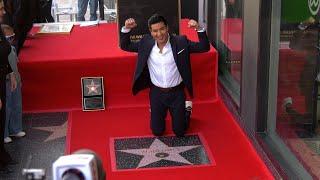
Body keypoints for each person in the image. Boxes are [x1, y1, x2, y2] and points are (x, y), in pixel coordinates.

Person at [120, 14, 210, 137]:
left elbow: (204, 47)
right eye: (155, 31)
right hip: (157, 93)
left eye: (162, 29)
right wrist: (126, 29)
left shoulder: (181, 42)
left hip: (177, 93)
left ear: (167, 28)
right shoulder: (146, 43)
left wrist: (199, 28)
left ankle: (187, 110)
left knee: (179, 131)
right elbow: (125, 46)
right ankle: (155, 111)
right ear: (151, 32)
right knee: (157, 131)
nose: (159, 34)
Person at [0, 0, 17, 174]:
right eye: (0, 9)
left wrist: (11, 72)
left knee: (2, 117)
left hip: (3, 76)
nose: (3, 12)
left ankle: (3, 156)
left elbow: (3, 52)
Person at [1, 24, 25, 143]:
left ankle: (15, 128)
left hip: (15, 80)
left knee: (16, 105)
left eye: (13, 37)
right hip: (5, 82)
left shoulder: (13, 49)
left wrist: (18, 79)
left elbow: (15, 66)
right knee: (6, 108)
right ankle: (4, 133)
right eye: (8, 38)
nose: (11, 40)